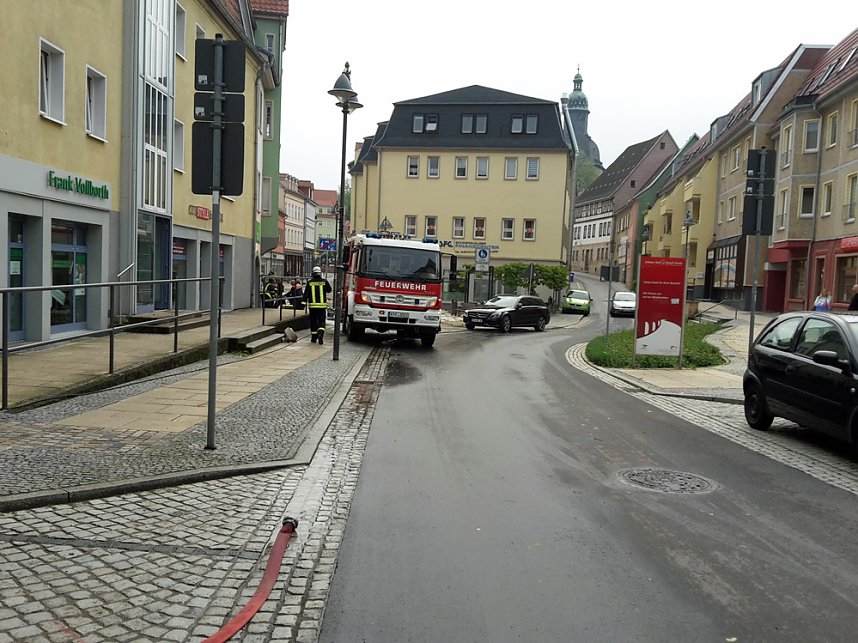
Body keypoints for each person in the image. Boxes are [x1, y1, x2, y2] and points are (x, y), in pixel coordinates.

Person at [304, 266, 332, 344]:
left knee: (313, 322)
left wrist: (303, 303)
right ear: (320, 273)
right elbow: (329, 290)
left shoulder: (310, 282)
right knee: (321, 321)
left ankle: (314, 338)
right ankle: (321, 334)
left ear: (313, 273)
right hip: (322, 306)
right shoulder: (324, 281)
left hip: (312, 306)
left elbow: (306, 294)